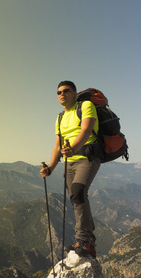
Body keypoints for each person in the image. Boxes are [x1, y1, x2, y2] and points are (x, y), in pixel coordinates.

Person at [40, 80, 100, 257]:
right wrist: (50, 168)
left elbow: (87, 130)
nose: (61, 94)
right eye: (58, 92)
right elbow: (57, 146)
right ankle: (83, 241)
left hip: (87, 157)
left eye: (66, 91)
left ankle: (85, 241)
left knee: (78, 193)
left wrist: (73, 148)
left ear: (75, 93)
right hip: (69, 161)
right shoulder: (60, 117)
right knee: (76, 199)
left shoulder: (86, 106)